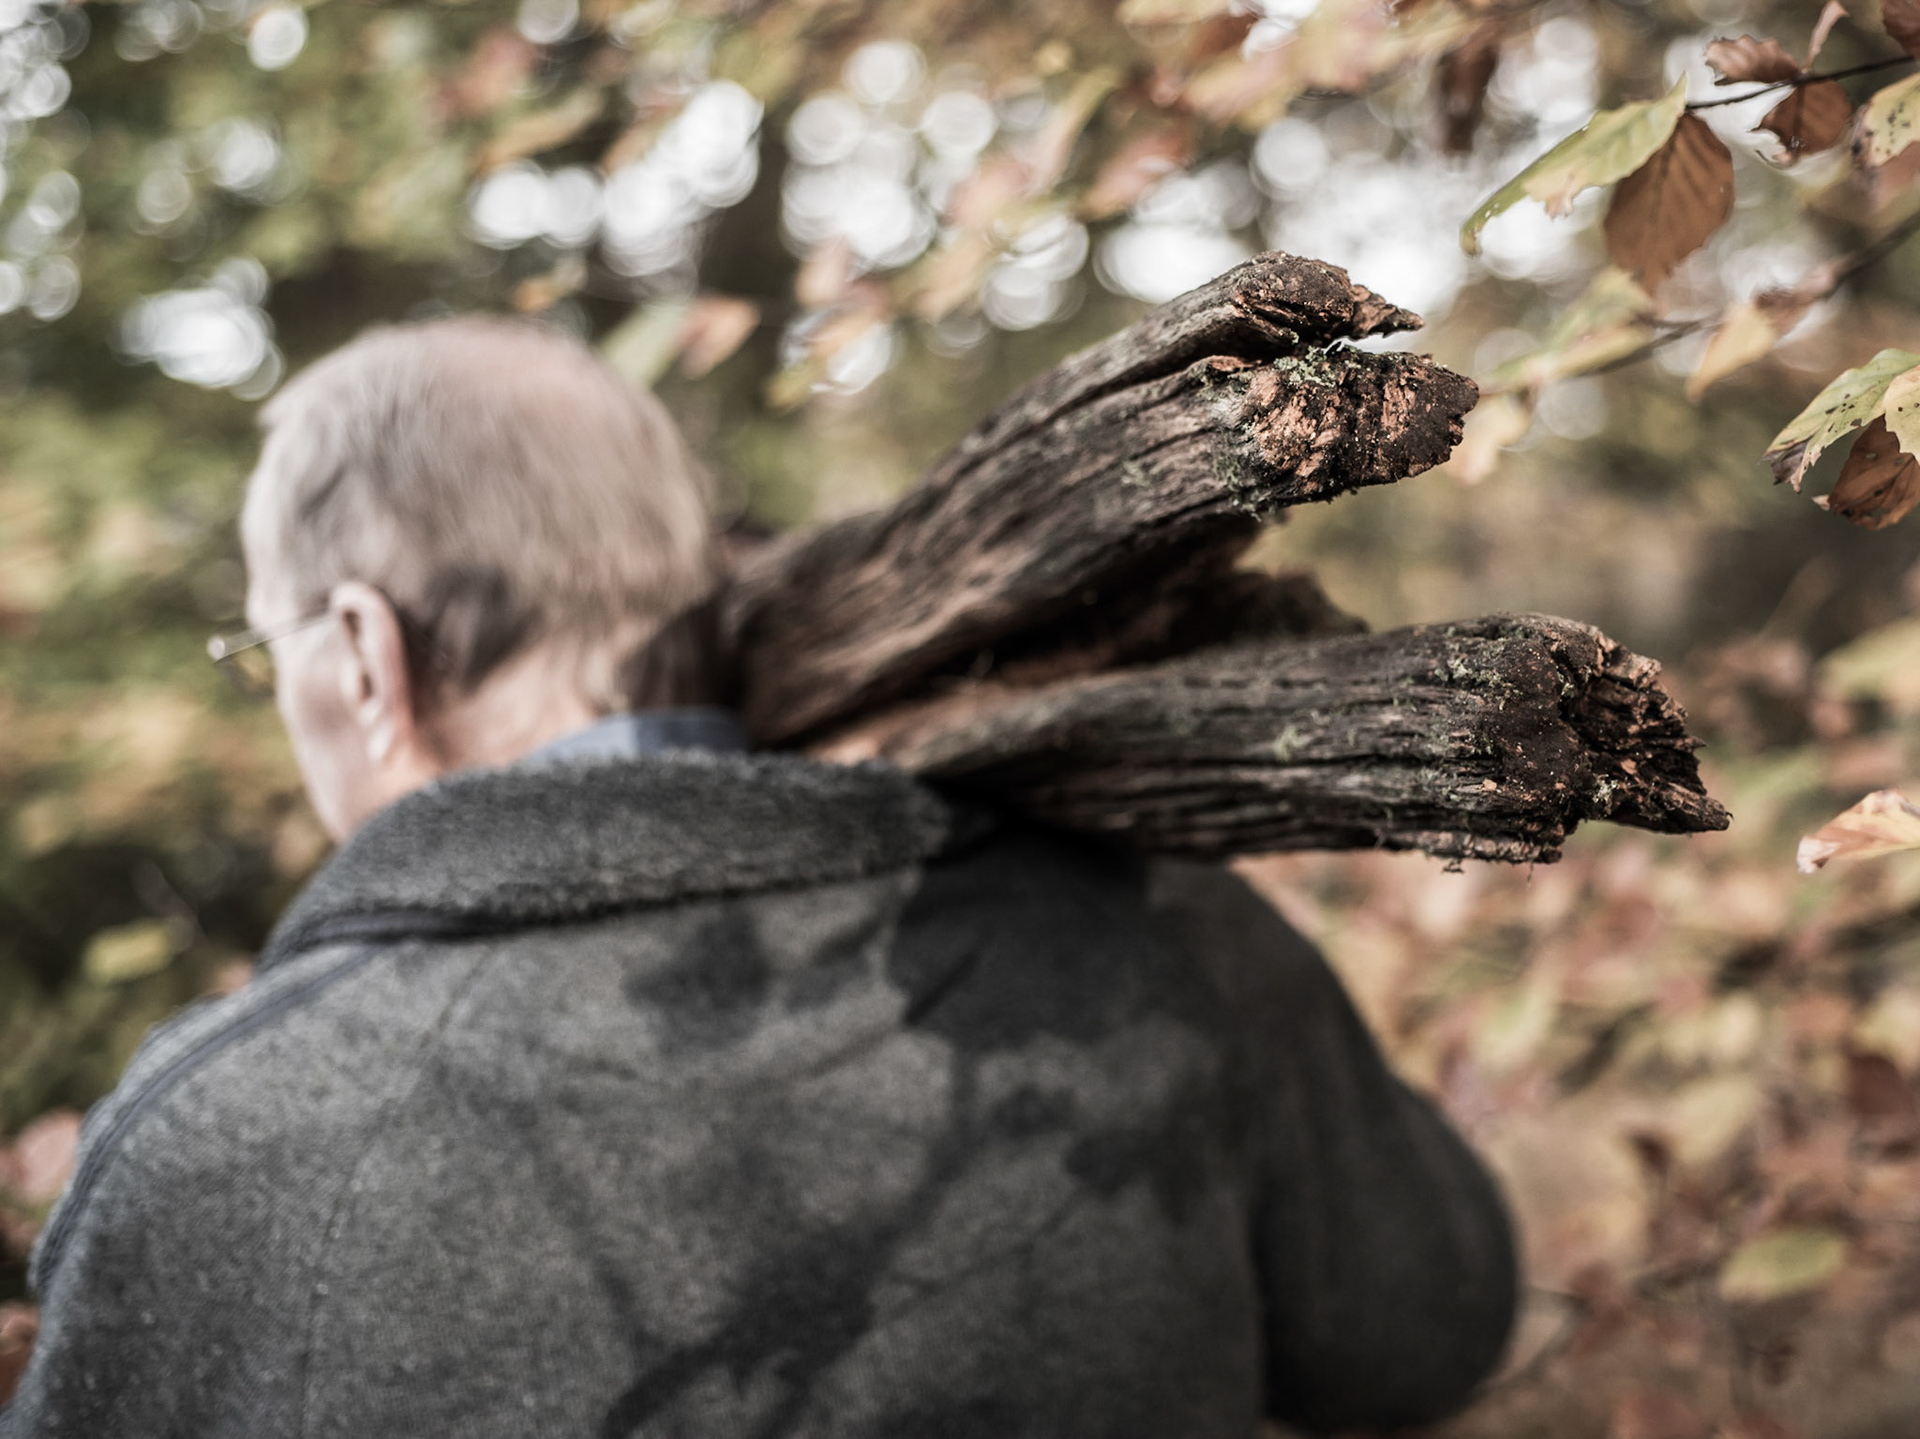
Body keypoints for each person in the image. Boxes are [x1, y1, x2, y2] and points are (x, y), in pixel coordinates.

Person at [2, 318, 1517, 1438]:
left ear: (360, 654)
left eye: (264, 651)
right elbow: (1426, 1330)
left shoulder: (217, 1149)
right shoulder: (1156, 922)